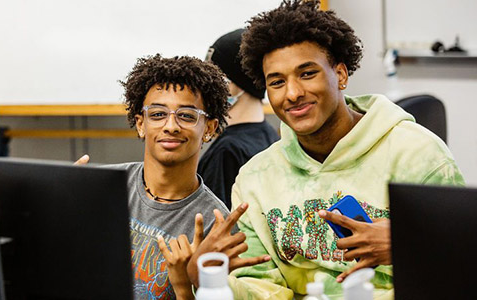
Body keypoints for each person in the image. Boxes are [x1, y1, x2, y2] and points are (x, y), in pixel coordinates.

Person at [184, 1, 466, 299]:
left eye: (307, 74)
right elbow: (258, 285)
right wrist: (206, 277)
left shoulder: (418, 154)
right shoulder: (256, 178)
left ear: (341, 75)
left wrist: (406, 245)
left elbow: (461, 264)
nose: (292, 93)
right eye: (277, 82)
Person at [79, 54, 267, 300]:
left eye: (187, 115)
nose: (171, 126)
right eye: (157, 114)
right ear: (140, 124)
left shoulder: (214, 228)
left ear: (209, 128)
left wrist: (184, 284)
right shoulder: (101, 186)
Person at [199, 29, 280, 209]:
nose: (206, 87)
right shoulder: (271, 137)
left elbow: (213, 226)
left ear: (238, 82)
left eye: (216, 78)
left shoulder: (227, 152)